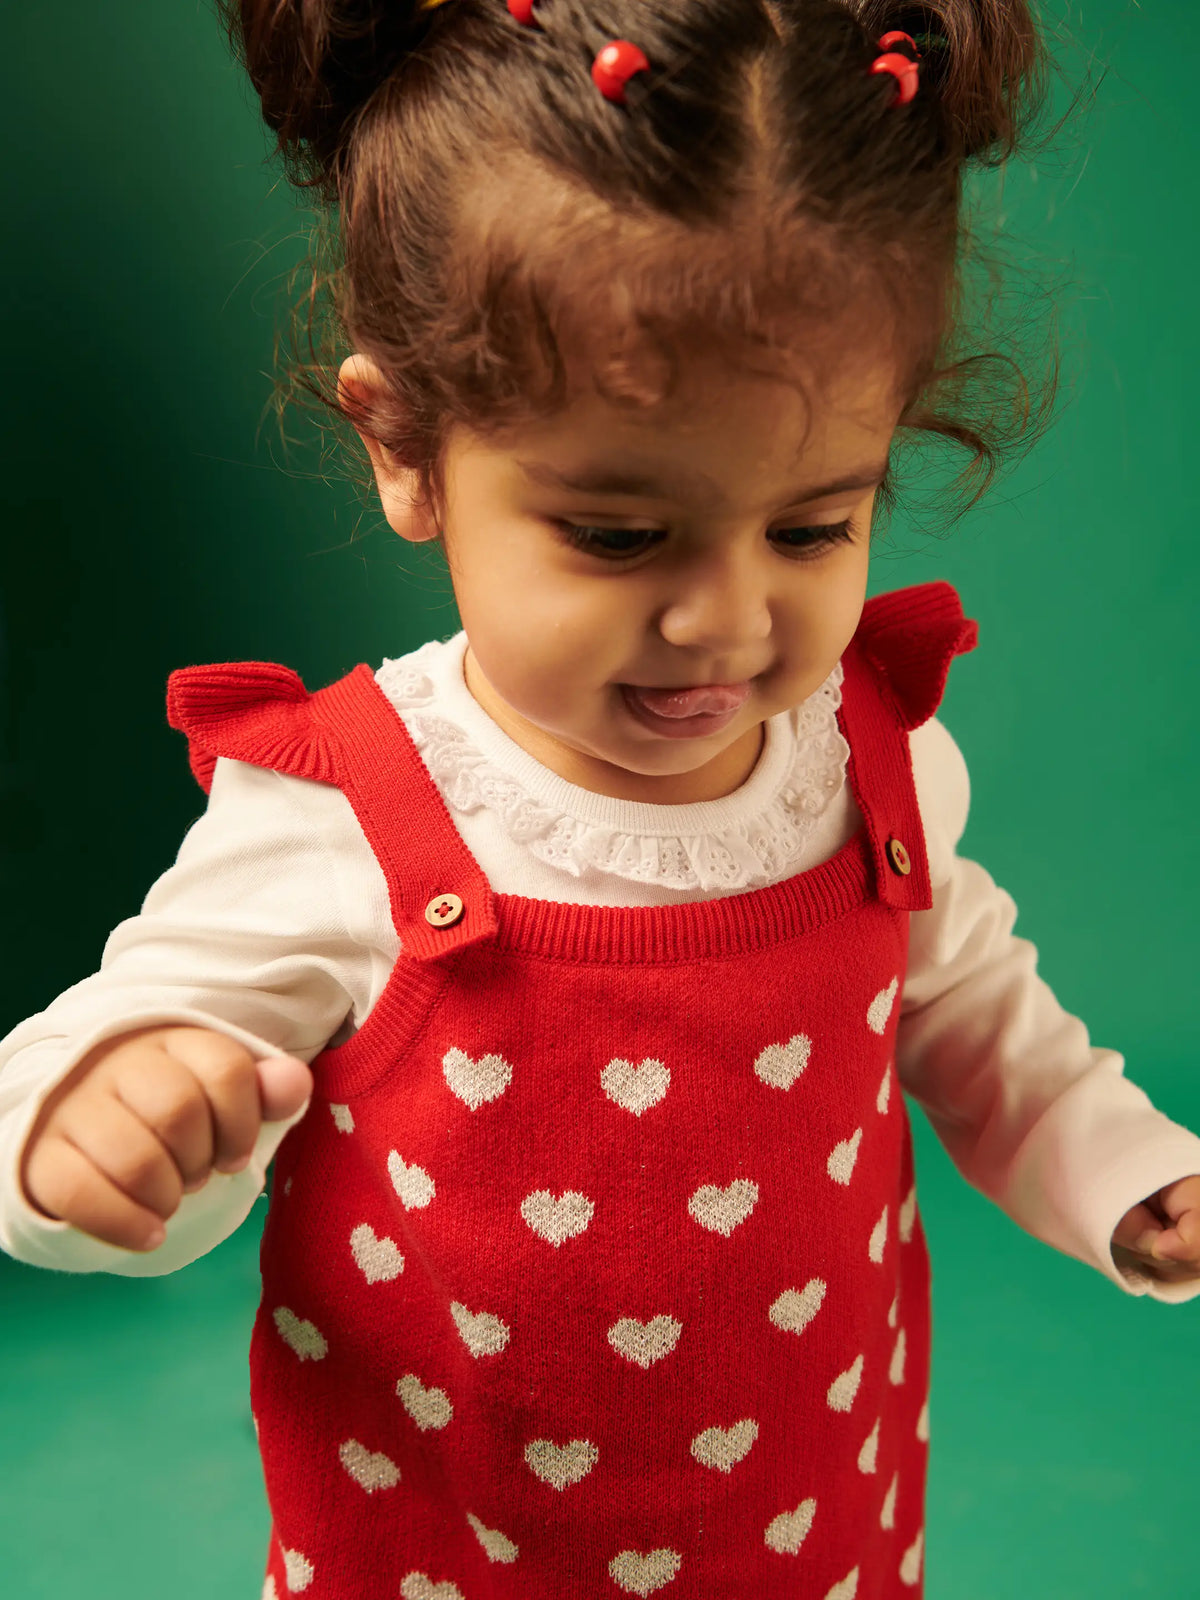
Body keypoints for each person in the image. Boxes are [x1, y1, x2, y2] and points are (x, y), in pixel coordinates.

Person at [3, 2, 1199, 1597]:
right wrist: (107, 1122)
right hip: (448, 1553)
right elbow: (97, 1075)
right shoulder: (348, 815)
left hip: (810, 1521)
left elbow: (971, 1007)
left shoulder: (875, 762)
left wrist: (1129, 1170)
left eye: (810, 528)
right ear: (406, 447)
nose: (724, 621)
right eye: (621, 537)